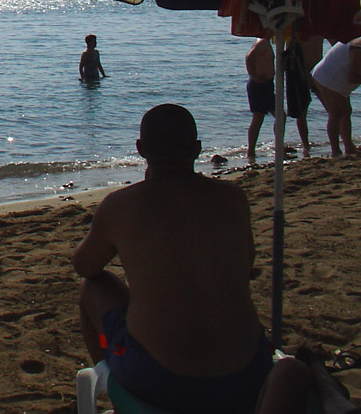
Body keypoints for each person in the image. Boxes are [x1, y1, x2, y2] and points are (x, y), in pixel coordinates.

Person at [74, 104, 278, 413]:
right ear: (197, 149)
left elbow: (85, 266)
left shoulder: (120, 205)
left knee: (94, 286)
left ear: (140, 149)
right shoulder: (232, 198)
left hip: (162, 382)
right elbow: (246, 265)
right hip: (249, 375)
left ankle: (109, 371)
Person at [311, 27, 361, 157]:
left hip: (338, 83)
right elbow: (353, 77)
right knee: (336, 112)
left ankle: (349, 148)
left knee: (346, 111)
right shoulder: (359, 50)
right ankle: (335, 151)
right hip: (326, 78)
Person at [246, 37, 275, 164]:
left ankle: (278, 145)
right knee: (258, 118)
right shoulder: (262, 42)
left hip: (267, 83)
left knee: (280, 116)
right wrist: (254, 75)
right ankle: (251, 151)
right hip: (259, 84)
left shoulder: (267, 42)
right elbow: (249, 57)